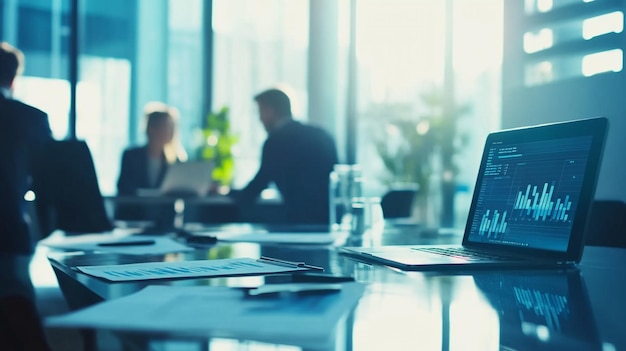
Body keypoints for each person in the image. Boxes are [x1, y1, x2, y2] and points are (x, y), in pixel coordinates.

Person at [0, 42, 52, 350]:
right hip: (10, 231)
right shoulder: (30, 118)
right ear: (13, 80)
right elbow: (52, 182)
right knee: (17, 309)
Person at [236, 88, 338, 224]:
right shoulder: (322, 135)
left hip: (297, 221)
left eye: (261, 112)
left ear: (270, 111)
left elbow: (260, 183)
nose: (260, 119)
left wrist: (230, 196)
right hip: (329, 220)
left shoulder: (275, 141)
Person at [115, 102, 187, 225]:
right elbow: (124, 186)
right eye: (165, 126)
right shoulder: (131, 155)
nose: (169, 131)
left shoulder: (175, 161)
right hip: (133, 218)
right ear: (151, 128)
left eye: (171, 127)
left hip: (164, 221)